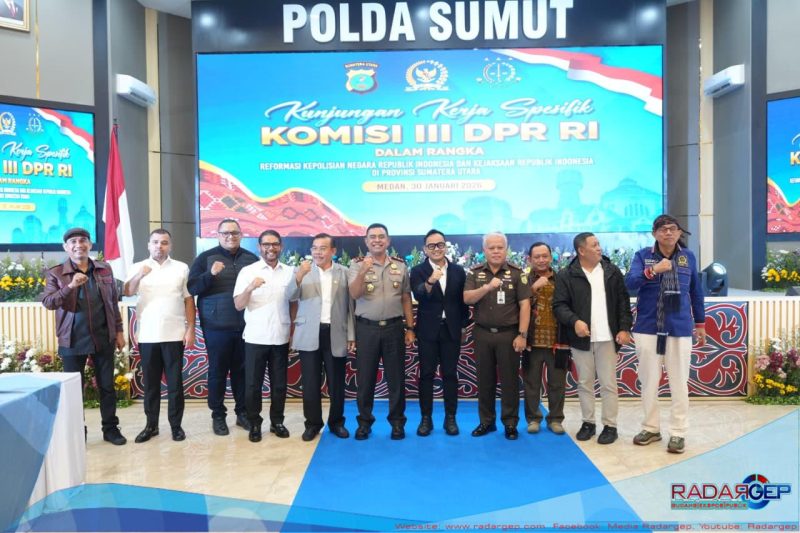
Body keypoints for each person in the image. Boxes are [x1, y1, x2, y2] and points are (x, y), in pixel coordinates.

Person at [626, 214, 706, 454]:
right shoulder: (643, 256)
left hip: (679, 328)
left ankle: (678, 432)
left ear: (679, 233)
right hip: (648, 327)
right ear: (654, 234)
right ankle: (651, 428)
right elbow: (629, 283)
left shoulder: (688, 257)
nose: (668, 233)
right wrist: (653, 271)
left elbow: (696, 292)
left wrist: (700, 323)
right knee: (649, 382)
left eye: (672, 229)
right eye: (663, 229)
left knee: (679, 382)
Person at [42, 227, 127, 445]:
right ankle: (78, 432)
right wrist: (70, 286)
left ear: (89, 245)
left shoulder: (104, 269)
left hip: (103, 336)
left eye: (83, 241)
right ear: (66, 247)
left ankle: (110, 429)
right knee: (74, 390)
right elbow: (49, 302)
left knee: (107, 386)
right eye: (73, 242)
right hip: (72, 339)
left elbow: (112, 302)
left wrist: (118, 331)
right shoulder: (56, 273)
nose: (78, 245)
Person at [553, 232, 632, 445]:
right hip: (581, 339)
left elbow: (623, 303)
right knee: (584, 383)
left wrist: (625, 328)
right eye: (594, 245)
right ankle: (588, 423)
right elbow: (559, 305)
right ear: (581, 250)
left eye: (598, 244)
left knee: (608, 384)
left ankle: (610, 425)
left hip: (608, 337)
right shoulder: (566, 275)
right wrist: (575, 322)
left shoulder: (611, 271)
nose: (599, 248)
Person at [124, 229, 195, 443]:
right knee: (151, 384)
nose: (159, 246)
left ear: (170, 246)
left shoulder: (181, 267)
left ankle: (176, 426)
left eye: (164, 242)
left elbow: (188, 299)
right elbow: (127, 291)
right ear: (148, 245)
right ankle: (151, 425)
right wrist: (140, 275)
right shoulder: (137, 267)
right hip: (148, 335)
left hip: (174, 334)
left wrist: (190, 328)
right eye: (155, 242)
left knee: (175, 384)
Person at [188, 219, 258, 436]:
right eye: (225, 233)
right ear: (218, 235)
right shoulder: (205, 258)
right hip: (216, 326)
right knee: (218, 372)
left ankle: (242, 413)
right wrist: (210, 274)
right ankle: (218, 415)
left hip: (246, 326)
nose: (230, 236)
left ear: (241, 235)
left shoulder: (251, 258)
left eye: (234, 232)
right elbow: (192, 288)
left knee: (242, 372)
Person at [348, 223, 416, 440]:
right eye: (372, 237)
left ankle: (397, 423)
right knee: (365, 380)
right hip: (366, 329)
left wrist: (410, 327)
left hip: (394, 328)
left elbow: (405, 297)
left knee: (396, 379)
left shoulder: (400, 265)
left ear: (388, 241)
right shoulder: (356, 264)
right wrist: (363, 271)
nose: (377, 240)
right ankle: (364, 423)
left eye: (381, 237)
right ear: (366, 241)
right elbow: (354, 294)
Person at [287, 233, 355, 441]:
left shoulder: (344, 272)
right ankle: (312, 424)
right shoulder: (301, 271)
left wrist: (351, 335)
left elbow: (350, 307)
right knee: (310, 382)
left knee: (337, 383)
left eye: (323, 248)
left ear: (333, 251)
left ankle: (336, 423)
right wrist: (299, 276)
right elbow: (289, 296)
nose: (317, 252)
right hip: (309, 332)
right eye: (314, 248)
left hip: (335, 332)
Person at [463, 232, 530, 440]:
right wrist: (486, 287)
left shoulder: (517, 273)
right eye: (491, 248)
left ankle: (510, 423)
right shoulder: (474, 273)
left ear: (506, 250)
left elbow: (525, 305)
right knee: (485, 380)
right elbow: (467, 298)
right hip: (482, 333)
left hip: (509, 335)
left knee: (510, 381)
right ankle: (486, 421)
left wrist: (522, 334)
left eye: (500, 247)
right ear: (484, 251)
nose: (496, 251)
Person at [233, 229, 294, 442]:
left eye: (275, 244)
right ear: (259, 247)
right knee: (253, 385)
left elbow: (293, 303)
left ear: (281, 246)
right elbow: (238, 304)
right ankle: (255, 424)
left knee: (279, 385)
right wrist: (250, 287)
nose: (271, 248)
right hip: (255, 337)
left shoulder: (290, 272)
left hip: (281, 336)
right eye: (266, 244)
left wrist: (293, 331)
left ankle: (277, 422)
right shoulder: (248, 271)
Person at [409, 229, 469, 436]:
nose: (437, 249)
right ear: (425, 249)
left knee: (450, 375)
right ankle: (426, 419)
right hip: (428, 331)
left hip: (451, 330)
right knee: (426, 375)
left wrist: (462, 326)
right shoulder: (418, 270)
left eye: (440, 244)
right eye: (432, 246)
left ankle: (450, 418)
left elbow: (463, 303)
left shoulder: (458, 271)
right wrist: (430, 281)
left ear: (446, 246)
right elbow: (418, 294)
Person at [522, 241, 569, 436]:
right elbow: (516, 305)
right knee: (531, 383)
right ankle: (533, 419)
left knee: (557, 383)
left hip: (558, 340)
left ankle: (555, 419)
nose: (541, 260)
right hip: (531, 341)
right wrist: (533, 288)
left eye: (545, 256)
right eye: (537, 257)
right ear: (530, 259)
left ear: (551, 257)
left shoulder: (562, 279)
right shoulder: (523, 279)